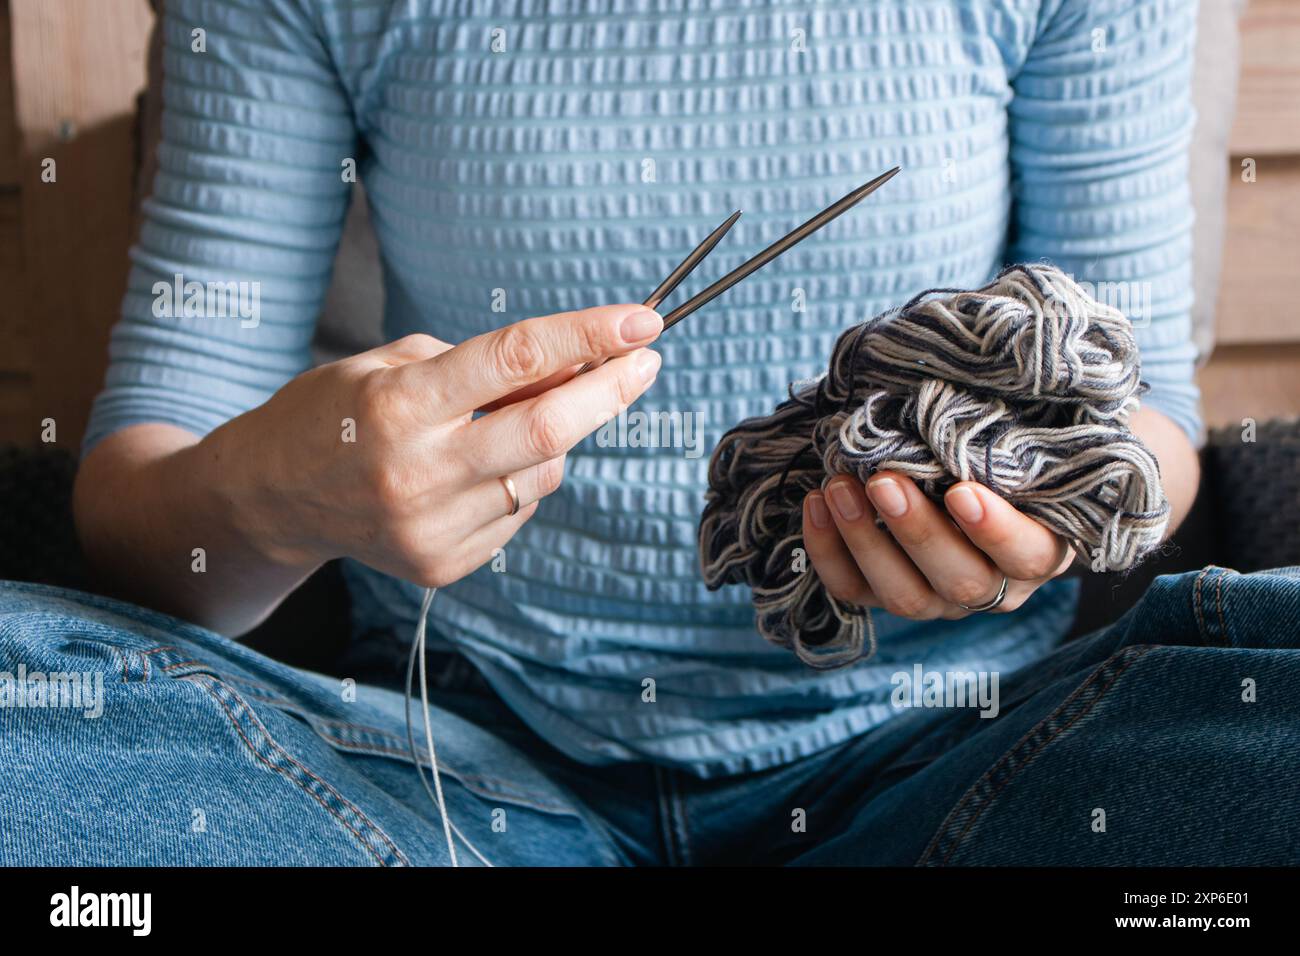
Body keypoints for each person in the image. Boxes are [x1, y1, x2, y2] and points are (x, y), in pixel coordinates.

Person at [3, 0, 1294, 866]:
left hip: (961, 759)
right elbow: (140, 513)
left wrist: (1029, 526)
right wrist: (276, 494)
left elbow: (1148, 433)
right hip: (454, 775)